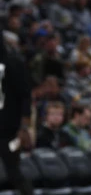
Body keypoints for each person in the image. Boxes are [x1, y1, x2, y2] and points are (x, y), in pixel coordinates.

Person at [0, 28, 33, 195]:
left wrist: (24, 127)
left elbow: (26, 96)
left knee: (14, 172)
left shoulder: (14, 63)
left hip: (10, 132)